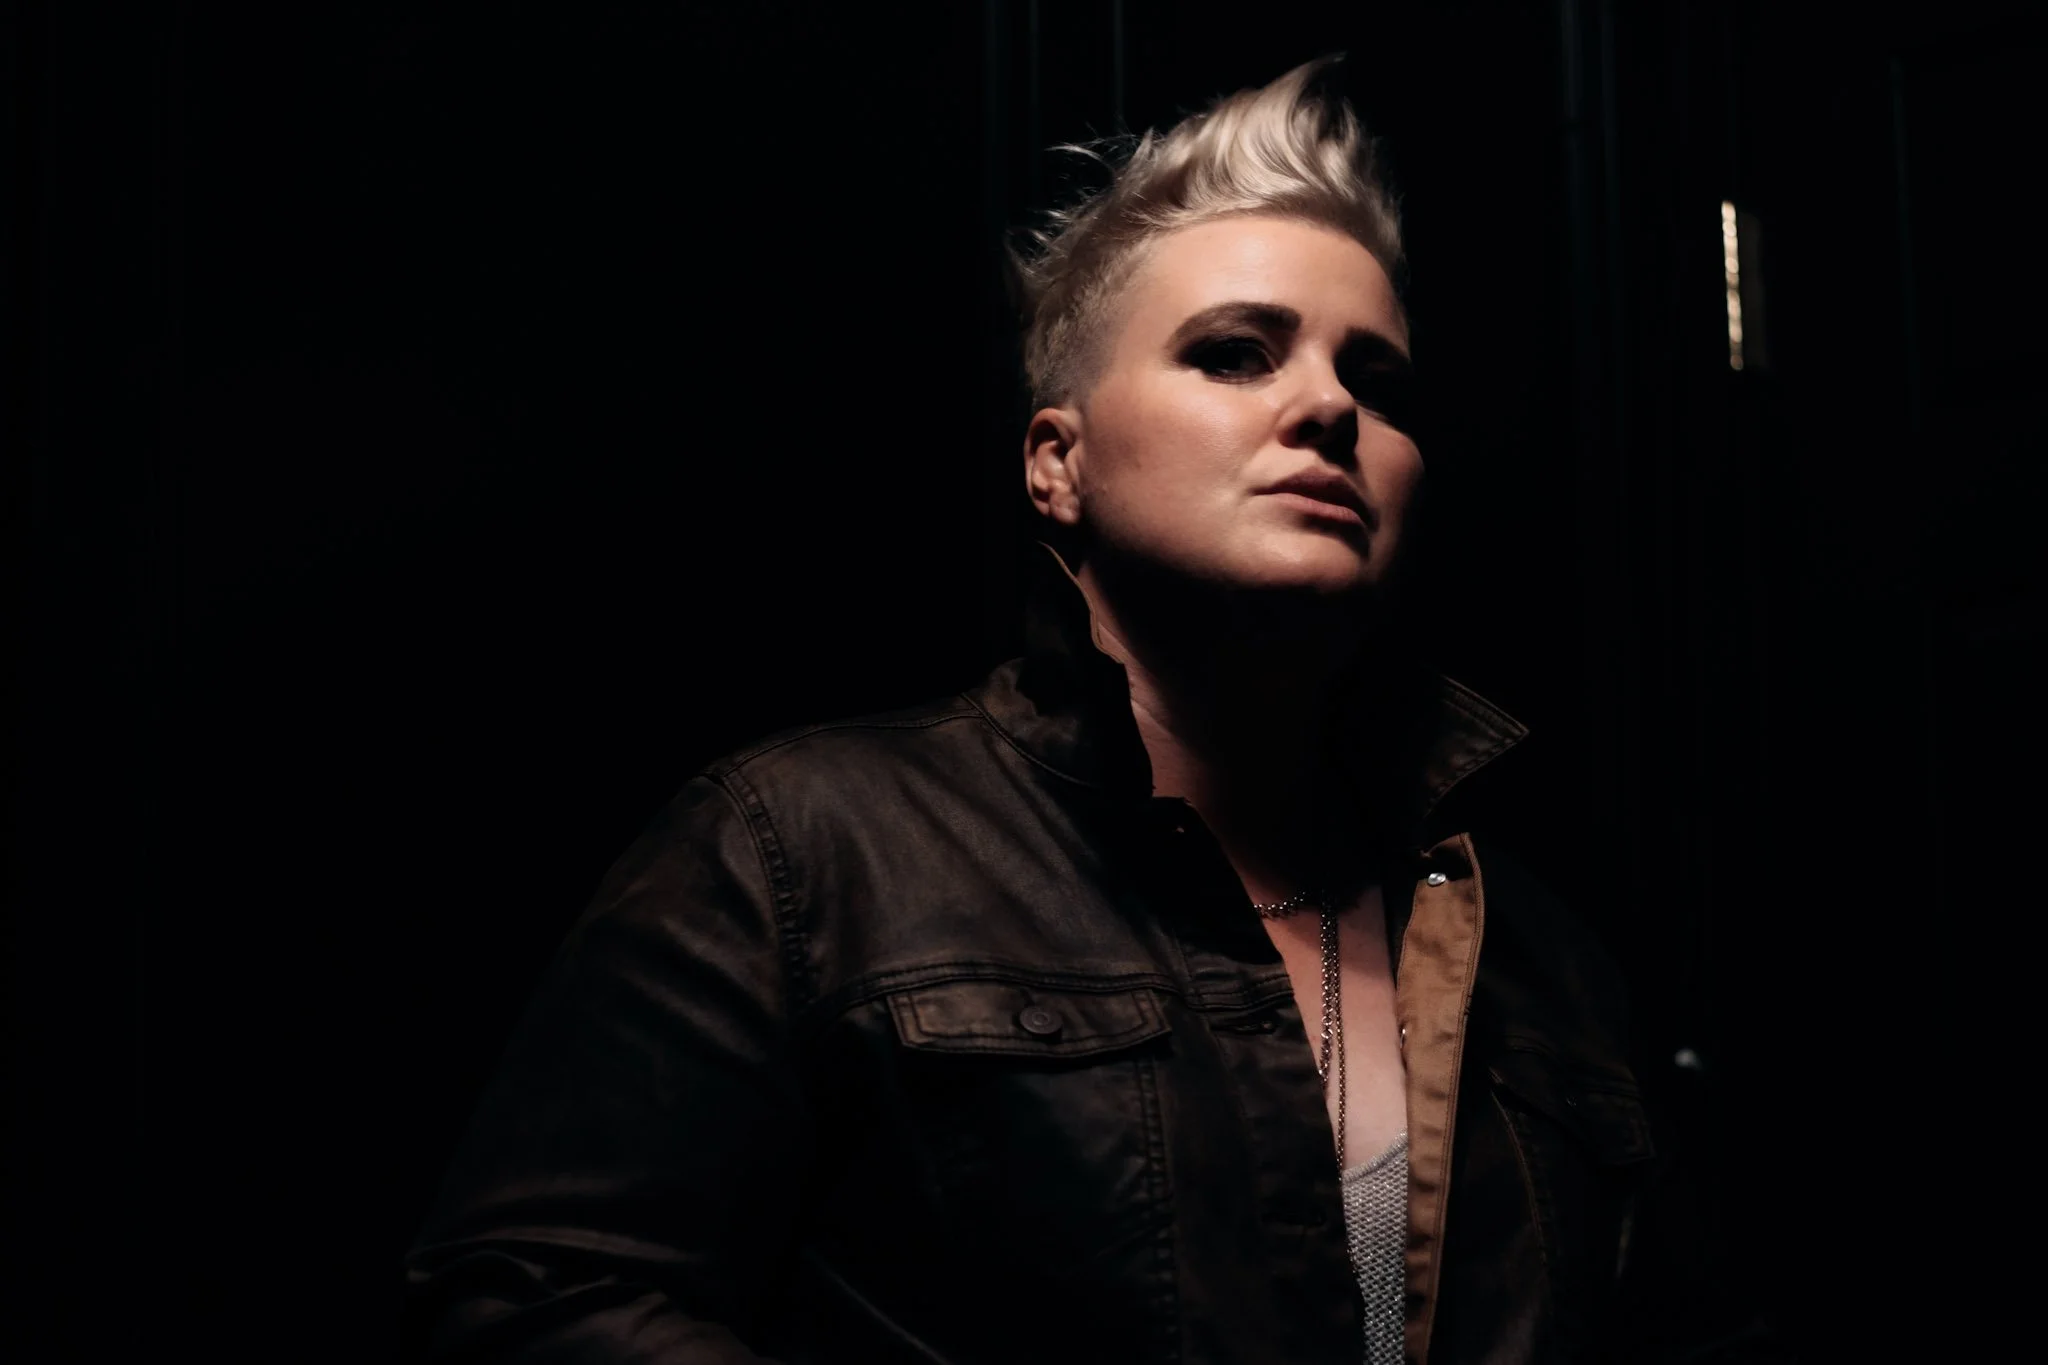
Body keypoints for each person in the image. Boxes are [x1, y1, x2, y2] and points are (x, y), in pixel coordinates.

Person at [404, 58, 1782, 1365]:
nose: (1328, 407)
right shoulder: (803, 850)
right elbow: (533, 1303)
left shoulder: (1540, 955)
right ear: (1057, 464)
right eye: (1236, 353)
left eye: (1377, 381)